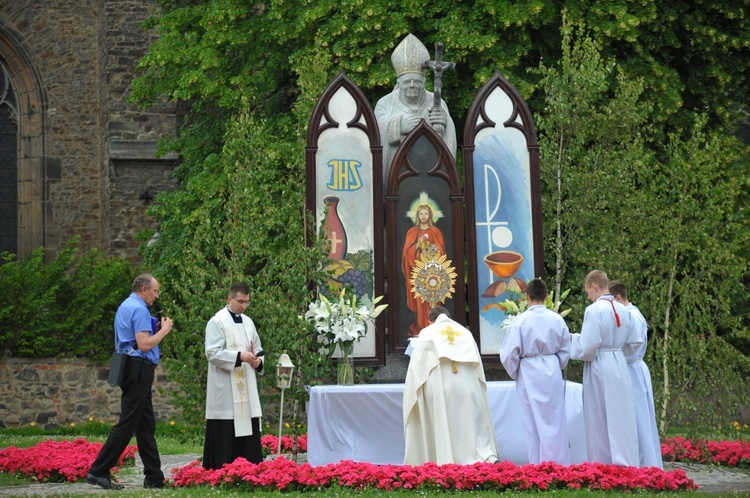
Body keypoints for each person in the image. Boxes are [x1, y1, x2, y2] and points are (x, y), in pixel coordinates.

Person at [85, 273, 174, 490]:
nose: (156, 295)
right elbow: (144, 345)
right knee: (128, 423)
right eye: (154, 291)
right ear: (144, 289)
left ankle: (154, 477)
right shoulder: (140, 309)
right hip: (138, 368)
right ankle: (98, 471)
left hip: (129, 366)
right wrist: (164, 330)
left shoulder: (126, 305)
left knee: (145, 425)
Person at [403, 306, 499, 465]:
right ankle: (473, 459)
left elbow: (416, 369)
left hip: (440, 386)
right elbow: (478, 369)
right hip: (468, 386)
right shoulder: (465, 333)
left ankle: (446, 459)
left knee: (443, 421)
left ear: (429, 321)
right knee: (466, 422)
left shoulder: (427, 332)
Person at [570, 270, 642, 466]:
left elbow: (588, 347)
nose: (588, 296)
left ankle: (602, 463)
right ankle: (626, 461)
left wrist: (572, 341)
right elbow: (636, 341)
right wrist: (618, 353)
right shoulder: (624, 309)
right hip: (619, 362)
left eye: (588, 292)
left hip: (600, 364)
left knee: (598, 414)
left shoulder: (594, 310)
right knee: (621, 414)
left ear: (594, 286)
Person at [500, 278, 571, 465]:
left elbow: (508, 354)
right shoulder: (557, 319)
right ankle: (559, 465)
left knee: (532, 423)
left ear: (527, 297)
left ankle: (537, 466)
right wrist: (556, 365)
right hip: (552, 368)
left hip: (528, 371)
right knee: (554, 419)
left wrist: (517, 372)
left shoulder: (520, 321)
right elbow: (565, 349)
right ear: (547, 296)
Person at [375, 33, 456, 181]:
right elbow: (375, 134)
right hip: (395, 177)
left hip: (429, 171)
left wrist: (444, 123)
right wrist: (398, 125)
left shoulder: (437, 102)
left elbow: (448, 136)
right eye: (407, 82)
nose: (412, 85)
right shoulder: (385, 104)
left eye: (417, 81)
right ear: (399, 84)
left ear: (424, 83)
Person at [202, 282, 265, 470]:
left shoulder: (248, 322)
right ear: (229, 298)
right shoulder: (217, 322)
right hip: (225, 387)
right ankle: (222, 468)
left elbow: (258, 349)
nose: (243, 306)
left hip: (246, 384)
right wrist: (238, 356)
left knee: (248, 425)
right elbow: (212, 353)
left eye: (247, 302)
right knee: (227, 427)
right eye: (240, 301)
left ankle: (250, 467)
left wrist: (258, 362)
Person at [609, 280, 663, 468]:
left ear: (617, 298)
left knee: (638, 419)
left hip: (631, 369)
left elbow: (634, 345)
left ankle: (645, 465)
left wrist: (611, 355)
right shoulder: (631, 314)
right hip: (630, 368)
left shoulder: (632, 317)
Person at [401, 203, 446, 336]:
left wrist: (432, 249)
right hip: (418, 272)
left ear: (430, 215)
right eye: (421, 213)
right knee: (420, 300)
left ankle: (433, 325)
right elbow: (406, 254)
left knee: (432, 299)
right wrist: (417, 245)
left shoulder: (436, 231)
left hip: (432, 273)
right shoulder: (412, 232)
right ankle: (421, 326)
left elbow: (442, 251)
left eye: (426, 213)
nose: (423, 216)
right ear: (417, 215)